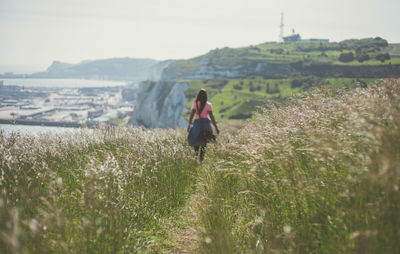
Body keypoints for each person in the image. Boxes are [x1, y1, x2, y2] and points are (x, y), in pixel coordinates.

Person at [187, 88, 219, 162]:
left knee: (193, 137)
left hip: (197, 123)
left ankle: (195, 152)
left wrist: (189, 125)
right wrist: (216, 128)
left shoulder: (195, 104)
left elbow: (192, 115)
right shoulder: (208, 105)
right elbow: (211, 117)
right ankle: (201, 160)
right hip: (206, 123)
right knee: (207, 139)